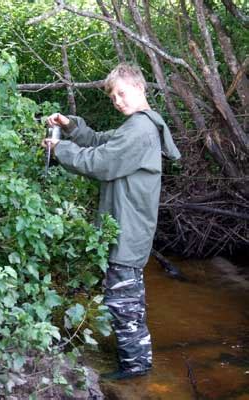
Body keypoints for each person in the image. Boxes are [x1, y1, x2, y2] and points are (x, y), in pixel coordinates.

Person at [42, 63, 181, 380]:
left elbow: (101, 162)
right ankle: (138, 359)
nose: (118, 100)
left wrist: (60, 148)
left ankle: (135, 369)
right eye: (113, 97)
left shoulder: (141, 130)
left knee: (121, 301)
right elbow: (100, 141)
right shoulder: (135, 127)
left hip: (128, 230)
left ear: (139, 88)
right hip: (127, 227)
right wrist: (70, 126)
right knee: (128, 298)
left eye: (122, 92)